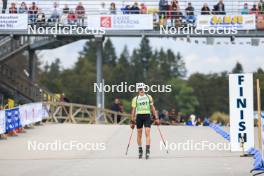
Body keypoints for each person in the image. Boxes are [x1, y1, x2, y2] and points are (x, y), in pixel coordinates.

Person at [130, 83, 160, 159]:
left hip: (147, 115)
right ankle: (140, 149)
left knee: (147, 132)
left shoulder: (148, 97)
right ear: (138, 90)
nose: (141, 90)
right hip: (139, 116)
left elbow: (152, 107)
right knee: (139, 134)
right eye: (140, 89)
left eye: (142, 89)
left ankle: (147, 150)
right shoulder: (135, 99)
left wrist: (156, 118)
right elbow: (133, 110)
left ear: (144, 89)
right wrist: (132, 120)